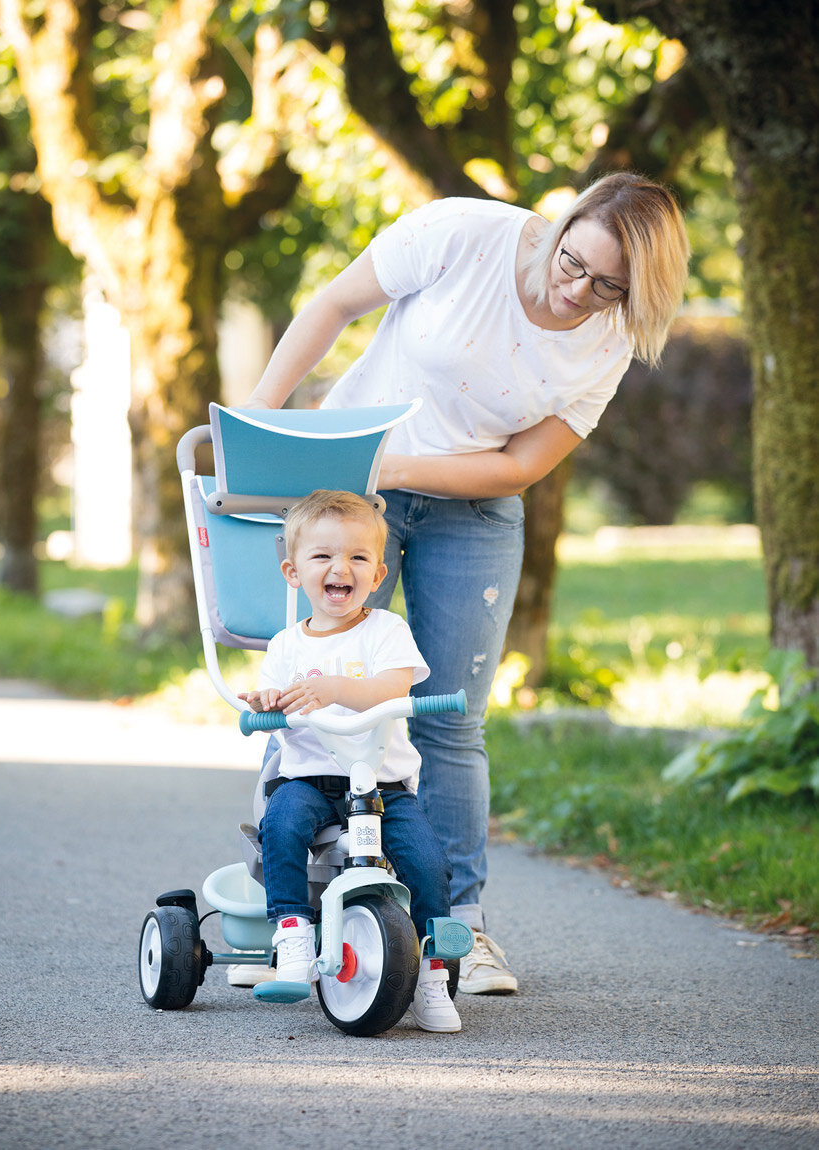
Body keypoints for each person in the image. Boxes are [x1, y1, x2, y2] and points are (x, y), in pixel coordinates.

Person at [242, 172, 691, 995]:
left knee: (448, 718)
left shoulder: (609, 340)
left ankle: (463, 929)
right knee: (312, 684)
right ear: (565, 221)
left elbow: (521, 464)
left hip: (472, 509)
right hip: (350, 498)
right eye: (573, 263)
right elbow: (335, 305)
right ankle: (293, 907)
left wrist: (398, 464)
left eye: (609, 288)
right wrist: (262, 424)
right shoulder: (461, 233)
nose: (577, 293)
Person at [238, 489, 461, 1033]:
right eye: (322, 557)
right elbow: (273, 697)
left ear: (379, 572)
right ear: (294, 572)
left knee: (428, 862)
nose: (341, 568)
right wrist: (266, 702)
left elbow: (393, 687)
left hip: (383, 785)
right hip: (310, 779)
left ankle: (432, 975)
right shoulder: (286, 646)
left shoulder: (387, 632)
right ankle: (292, 933)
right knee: (282, 824)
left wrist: (334, 686)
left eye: (358, 558)